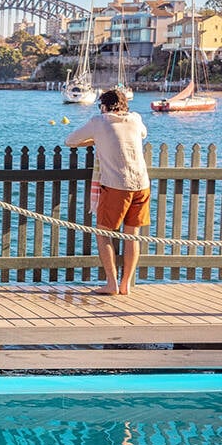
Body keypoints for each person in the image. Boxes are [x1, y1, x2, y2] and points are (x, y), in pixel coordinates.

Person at [65, 89, 150, 296]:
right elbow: (142, 134)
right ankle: (126, 285)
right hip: (142, 184)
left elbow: (70, 141)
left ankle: (111, 283)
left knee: (103, 234)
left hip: (116, 185)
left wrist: (95, 140)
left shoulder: (99, 121)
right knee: (132, 236)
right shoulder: (135, 119)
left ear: (103, 106)